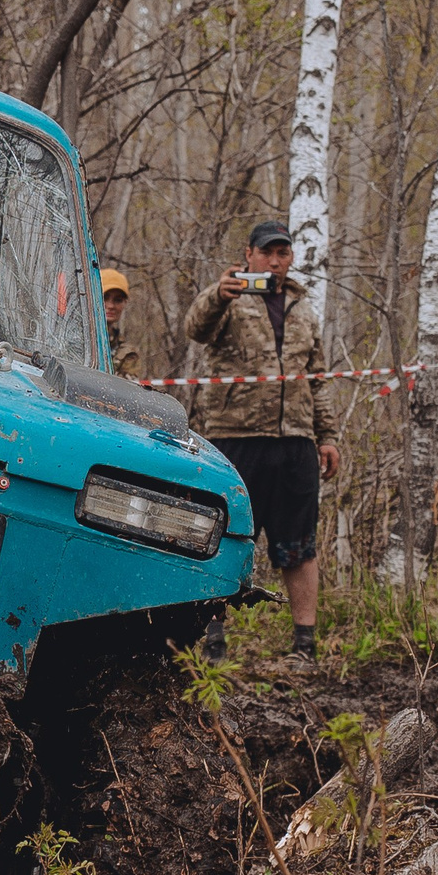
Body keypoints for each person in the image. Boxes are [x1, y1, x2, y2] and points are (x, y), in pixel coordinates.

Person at [182, 220, 342, 663]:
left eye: (282, 253)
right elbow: (195, 328)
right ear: (250, 255)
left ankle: (304, 646)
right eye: (267, 252)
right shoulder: (229, 298)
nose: (275, 261)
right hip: (235, 439)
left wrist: (326, 436)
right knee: (223, 537)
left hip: (295, 441)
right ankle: (212, 641)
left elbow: (319, 379)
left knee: (298, 545)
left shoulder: (303, 308)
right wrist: (218, 294)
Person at [100, 267, 143, 378]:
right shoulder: (72, 340)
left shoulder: (128, 354)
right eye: (104, 298)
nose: (110, 306)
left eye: (117, 300)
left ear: (124, 304)